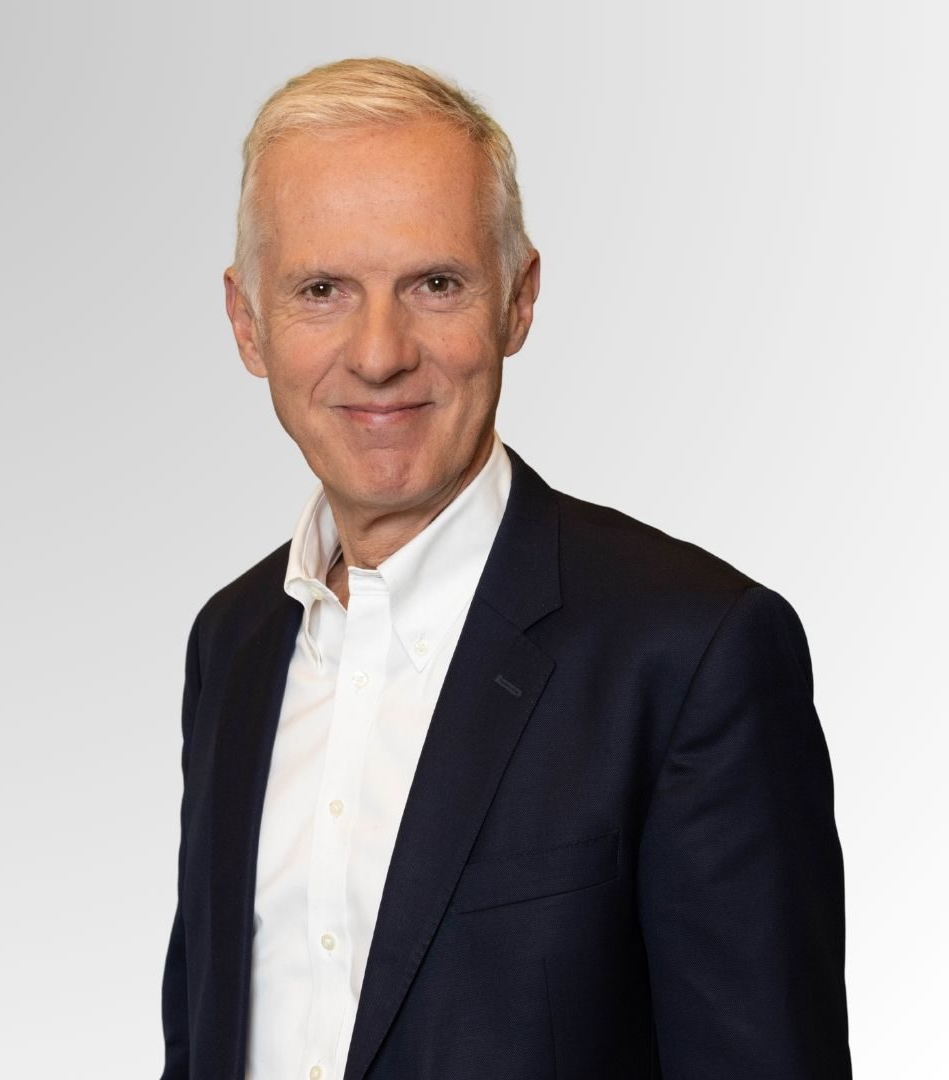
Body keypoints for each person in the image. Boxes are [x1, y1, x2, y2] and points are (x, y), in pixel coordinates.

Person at [158, 58, 851, 1080]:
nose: (380, 353)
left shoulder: (690, 656)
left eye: (435, 285)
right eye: (322, 290)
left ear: (519, 301)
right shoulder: (235, 644)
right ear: (247, 322)